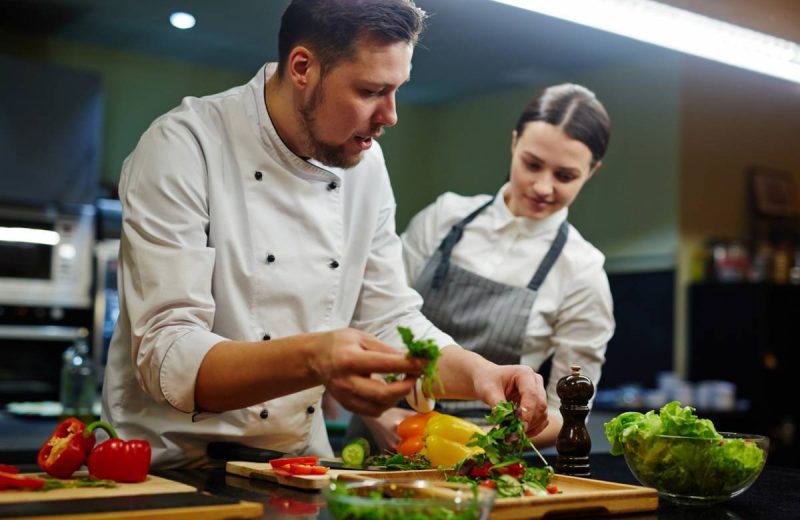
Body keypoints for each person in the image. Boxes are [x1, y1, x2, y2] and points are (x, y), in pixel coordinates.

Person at [101, 0, 549, 469]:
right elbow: (167, 354)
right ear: (302, 68)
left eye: (397, 89)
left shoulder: (366, 164)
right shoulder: (184, 146)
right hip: (168, 469)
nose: (391, 115)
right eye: (371, 90)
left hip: (295, 467)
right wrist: (316, 358)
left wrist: (482, 373)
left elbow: (389, 320)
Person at [349, 83, 614, 451]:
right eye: (532, 164)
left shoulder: (583, 272)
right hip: (381, 431)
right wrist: (376, 416)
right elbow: (369, 318)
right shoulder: (443, 219)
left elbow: (568, 411)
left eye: (565, 176)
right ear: (513, 143)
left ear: (592, 171)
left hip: (481, 455)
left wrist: (482, 441)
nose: (542, 186)